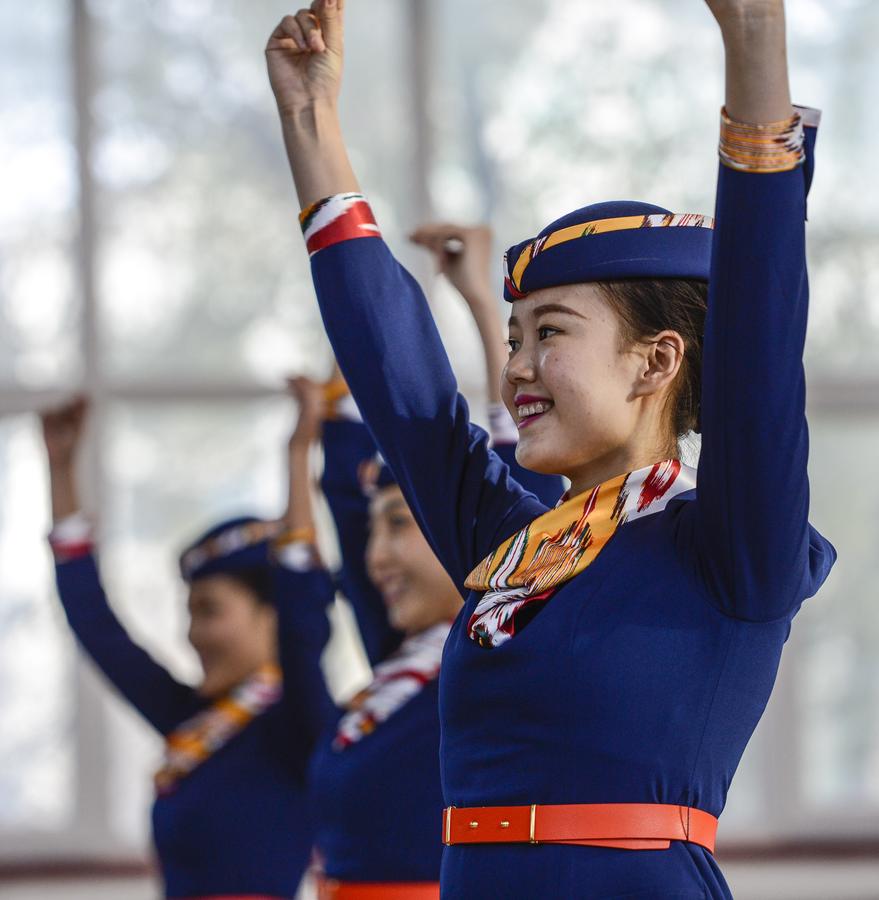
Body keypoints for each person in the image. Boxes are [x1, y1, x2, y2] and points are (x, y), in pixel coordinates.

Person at [265, 0, 837, 897]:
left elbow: (762, 343)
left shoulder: (729, 543)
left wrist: (754, 37)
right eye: (512, 339)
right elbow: (399, 382)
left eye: (551, 335)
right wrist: (309, 118)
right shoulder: (514, 546)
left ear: (655, 360)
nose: (518, 369)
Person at [288, 225, 563, 900]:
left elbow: (522, 479)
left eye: (399, 527)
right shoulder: (399, 657)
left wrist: (478, 300)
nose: (375, 556)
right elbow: (349, 496)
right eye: (374, 532)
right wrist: (355, 308)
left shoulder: (502, 642)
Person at [40, 393, 334, 900]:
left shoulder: (298, 724)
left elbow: (304, 626)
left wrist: (298, 456)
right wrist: (60, 470)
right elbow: (98, 630)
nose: (191, 635)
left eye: (209, 612)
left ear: (273, 615)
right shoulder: (193, 720)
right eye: (189, 613)